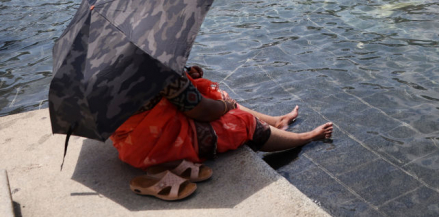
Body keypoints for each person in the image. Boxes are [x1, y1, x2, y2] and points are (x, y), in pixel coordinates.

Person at [111, 65, 333, 172]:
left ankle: (277, 122)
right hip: (155, 146)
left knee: (212, 94)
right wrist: (226, 105)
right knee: (243, 122)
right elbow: (200, 111)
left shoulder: (114, 63)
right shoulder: (159, 65)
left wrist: (189, 75)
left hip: (129, 140)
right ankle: (306, 137)